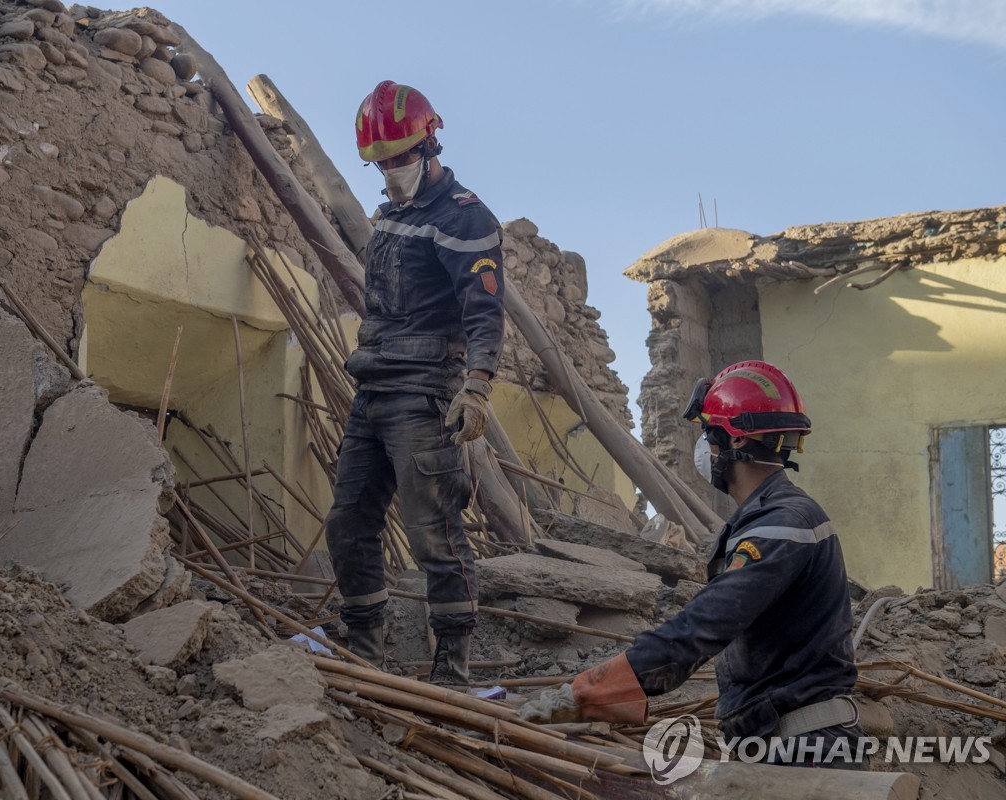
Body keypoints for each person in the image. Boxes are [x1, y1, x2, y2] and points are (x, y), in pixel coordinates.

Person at [520, 361, 867, 769]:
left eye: (708, 433)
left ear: (729, 440)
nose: (704, 447)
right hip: (789, 743)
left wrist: (587, 691)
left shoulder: (781, 524)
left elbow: (703, 626)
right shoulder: (772, 516)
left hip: (808, 753)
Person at [323, 80, 506, 685]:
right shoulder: (391, 213)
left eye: (400, 156)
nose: (391, 168)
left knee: (436, 536)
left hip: (424, 396)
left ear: (429, 143)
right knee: (348, 523)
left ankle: (452, 668)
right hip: (372, 389)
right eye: (380, 160)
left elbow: (484, 312)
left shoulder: (465, 218)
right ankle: (364, 650)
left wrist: (476, 385)